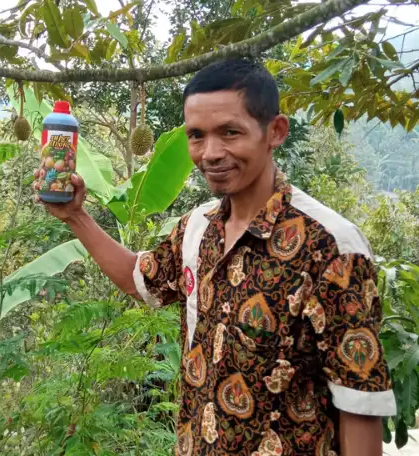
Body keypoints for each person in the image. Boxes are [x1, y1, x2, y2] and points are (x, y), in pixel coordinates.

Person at [35, 58, 396, 456]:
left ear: (275, 131)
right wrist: (75, 216)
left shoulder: (331, 247)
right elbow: (140, 280)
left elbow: (359, 403)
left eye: (230, 132)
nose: (210, 153)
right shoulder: (196, 228)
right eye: (196, 135)